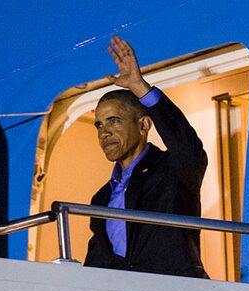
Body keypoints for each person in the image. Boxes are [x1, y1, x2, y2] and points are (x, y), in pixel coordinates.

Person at [84, 36, 209, 278]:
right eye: (98, 125)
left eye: (114, 121)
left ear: (143, 125)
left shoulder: (172, 171)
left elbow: (188, 146)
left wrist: (140, 87)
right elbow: (97, 261)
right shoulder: (101, 198)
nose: (104, 132)